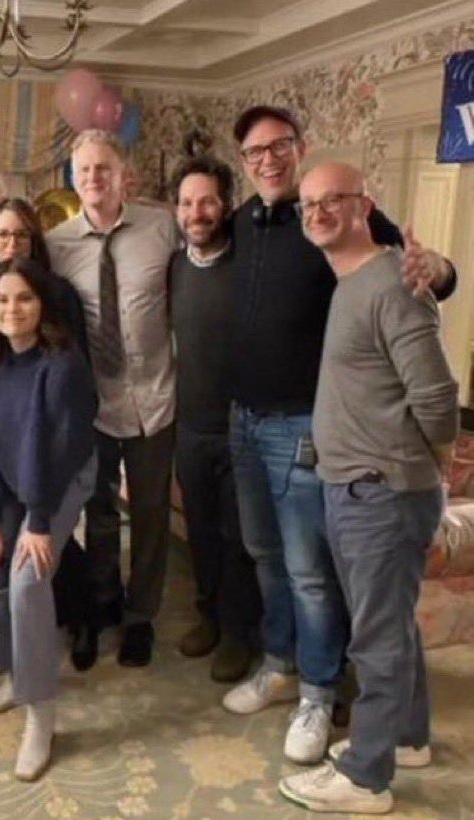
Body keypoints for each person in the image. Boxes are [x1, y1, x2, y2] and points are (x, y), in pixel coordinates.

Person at [222, 105, 457, 765]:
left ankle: (319, 695)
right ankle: (281, 663)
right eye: (254, 152)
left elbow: (417, 273)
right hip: (246, 421)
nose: (267, 160)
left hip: (311, 430)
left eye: (278, 146)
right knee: (266, 556)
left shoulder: (345, 219)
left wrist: (438, 271)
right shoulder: (244, 221)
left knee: (310, 574)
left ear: (298, 149)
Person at [279, 163, 458, 814]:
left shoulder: (392, 283)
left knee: (376, 640)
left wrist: (428, 465)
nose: (318, 212)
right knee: (390, 625)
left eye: (334, 199)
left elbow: (437, 399)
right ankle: (405, 738)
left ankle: (365, 777)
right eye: (308, 204)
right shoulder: (353, 281)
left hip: (380, 490)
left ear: (365, 205)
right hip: (362, 487)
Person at [47, 129, 180, 670]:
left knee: (150, 514)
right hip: (93, 403)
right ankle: (101, 607)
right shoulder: (56, 245)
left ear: (123, 173)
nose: (94, 178)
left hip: (156, 397)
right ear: (73, 179)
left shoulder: (162, 227)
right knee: (97, 513)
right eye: (84, 170)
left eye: (103, 168)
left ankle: (141, 616)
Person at [0, 257, 97, 781]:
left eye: (24, 298)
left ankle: (41, 712)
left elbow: (58, 451)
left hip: (59, 479)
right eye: (1, 299)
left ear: (43, 304)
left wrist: (37, 522)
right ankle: (15, 673)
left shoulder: (63, 364)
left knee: (27, 580)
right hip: (11, 479)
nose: (12, 309)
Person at [169, 156, 262, 682]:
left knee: (239, 538)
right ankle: (208, 616)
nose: (196, 212)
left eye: (207, 201)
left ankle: (237, 634)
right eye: (187, 203)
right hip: (190, 427)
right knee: (201, 533)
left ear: (226, 206)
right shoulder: (175, 267)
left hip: (243, 429)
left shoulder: (249, 262)